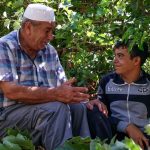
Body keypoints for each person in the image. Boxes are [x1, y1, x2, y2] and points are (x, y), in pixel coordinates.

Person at [0, 3, 91, 150]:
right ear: (28, 27)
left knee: (78, 108)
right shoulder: (4, 46)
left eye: (52, 31)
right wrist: (55, 94)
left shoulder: (49, 51)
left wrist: (85, 100)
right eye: (47, 31)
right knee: (56, 108)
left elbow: (63, 88)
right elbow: (11, 91)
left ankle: (85, 147)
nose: (51, 37)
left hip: (40, 112)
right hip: (7, 119)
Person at [87, 40, 150, 149]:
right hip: (113, 136)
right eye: (115, 56)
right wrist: (127, 127)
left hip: (144, 139)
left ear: (136, 60)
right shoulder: (106, 82)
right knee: (94, 109)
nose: (114, 61)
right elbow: (102, 116)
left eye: (120, 56)